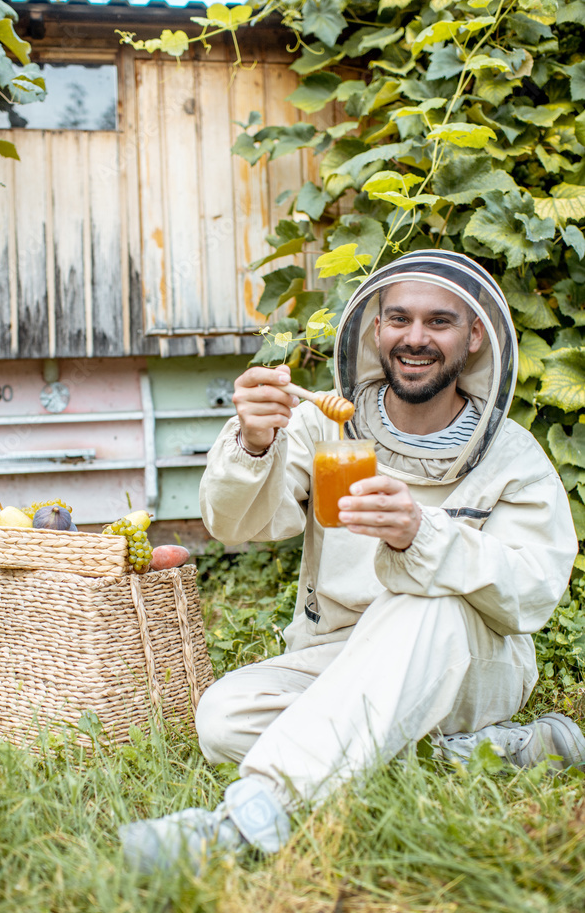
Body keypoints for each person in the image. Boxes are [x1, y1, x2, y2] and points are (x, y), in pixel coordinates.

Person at [120, 250, 584, 875]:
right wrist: (254, 442)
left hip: (469, 659)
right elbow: (240, 523)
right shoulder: (319, 426)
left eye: (439, 322)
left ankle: (249, 815)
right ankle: (494, 751)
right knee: (224, 718)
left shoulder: (511, 456)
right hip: (336, 650)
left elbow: (534, 592)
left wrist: (424, 534)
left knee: (426, 597)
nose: (415, 338)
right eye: (399, 318)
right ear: (375, 327)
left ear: (475, 336)